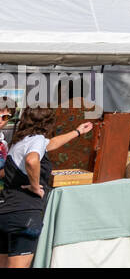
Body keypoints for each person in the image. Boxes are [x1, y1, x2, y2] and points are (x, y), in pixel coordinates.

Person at [0, 113, 94, 268]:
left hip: (6, 211)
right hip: (25, 213)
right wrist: (35, 186)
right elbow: (32, 160)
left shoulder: (19, 143)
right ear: (48, 124)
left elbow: (52, 143)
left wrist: (77, 132)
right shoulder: (37, 139)